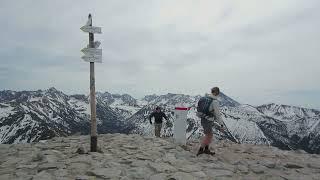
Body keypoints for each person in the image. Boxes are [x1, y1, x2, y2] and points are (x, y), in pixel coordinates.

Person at [196, 87, 225, 156]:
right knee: (209, 135)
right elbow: (217, 114)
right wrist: (221, 124)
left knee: (208, 134)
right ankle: (201, 149)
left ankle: (206, 149)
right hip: (208, 120)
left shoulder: (205, 98)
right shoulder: (215, 102)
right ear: (217, 93)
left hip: (203, 118)